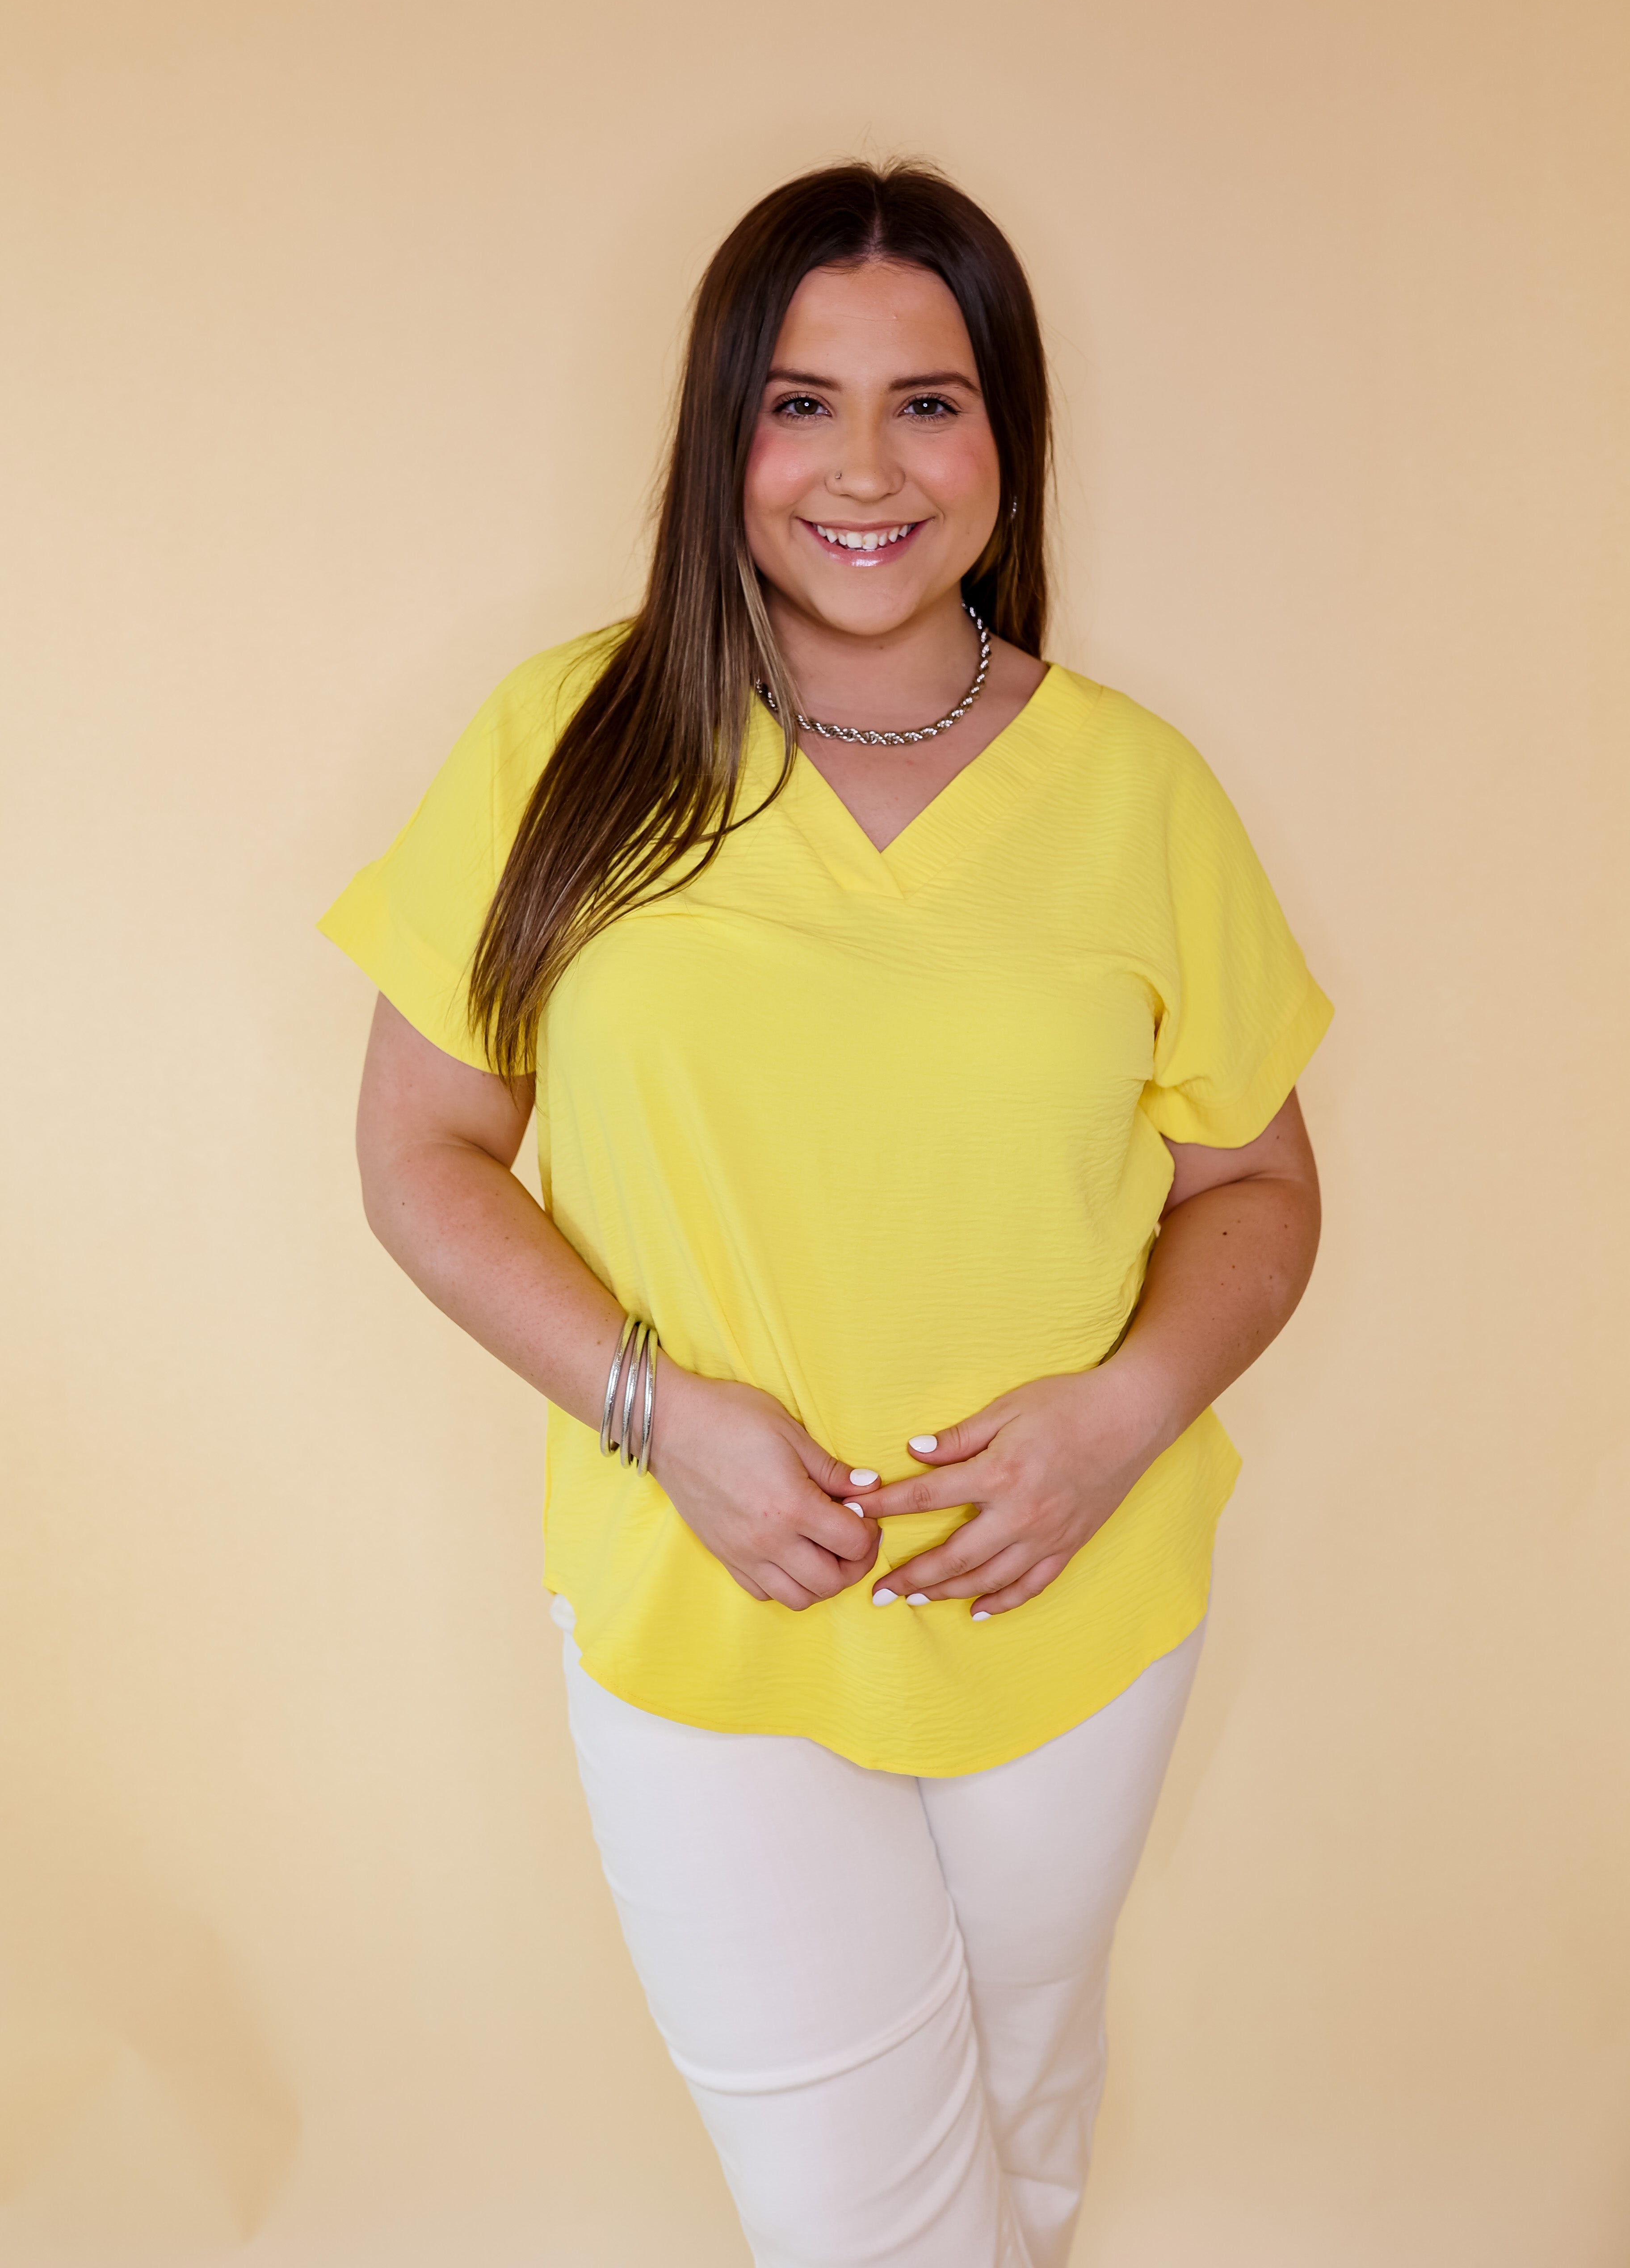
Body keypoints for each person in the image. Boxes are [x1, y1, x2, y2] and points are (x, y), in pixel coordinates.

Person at [320, 161, 1330, 2268]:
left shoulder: (1139, 790)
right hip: (708, 1617)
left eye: (926, 403)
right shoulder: (566, 745)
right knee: (864, 2222)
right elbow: (422, 1151)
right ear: (724, 433)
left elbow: (1255, 1182)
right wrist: (656, 1413)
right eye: (801, 404)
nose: (865, 469)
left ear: (1005, 435)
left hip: (1073, 1615)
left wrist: (1122, 1417)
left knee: (1023, 2142)